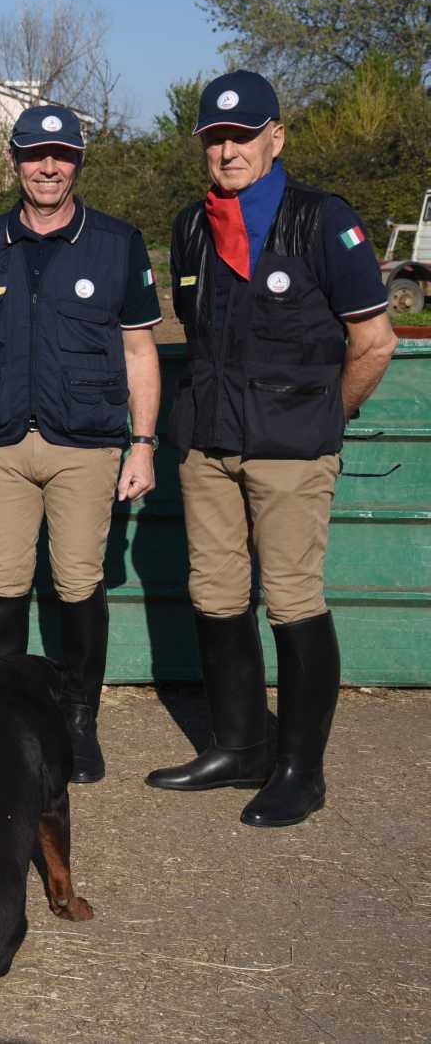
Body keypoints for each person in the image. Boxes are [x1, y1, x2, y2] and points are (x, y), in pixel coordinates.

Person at [145, 71, 397, 827]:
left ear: (276, 138)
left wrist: (323, 419)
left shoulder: (324, 220)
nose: (228, 150)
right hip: (211, 443)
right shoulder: (192, 225)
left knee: (291, 601)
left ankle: (299, 769)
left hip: (293, 448)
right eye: (215, 138)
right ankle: (240, 746)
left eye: (243, 135)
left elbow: (374, 341)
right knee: (216, 595)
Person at [0, 104, 162, 783]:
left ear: (77, 162)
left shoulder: (116, 242)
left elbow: (138, 349)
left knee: (78, 583)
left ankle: (79, 722)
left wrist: (145, 443)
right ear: (13, 161)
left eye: (62, 154)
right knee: (3, 585)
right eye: (36, 153)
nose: (49, 166)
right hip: (5, 441)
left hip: (86, 442)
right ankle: (0, 723)